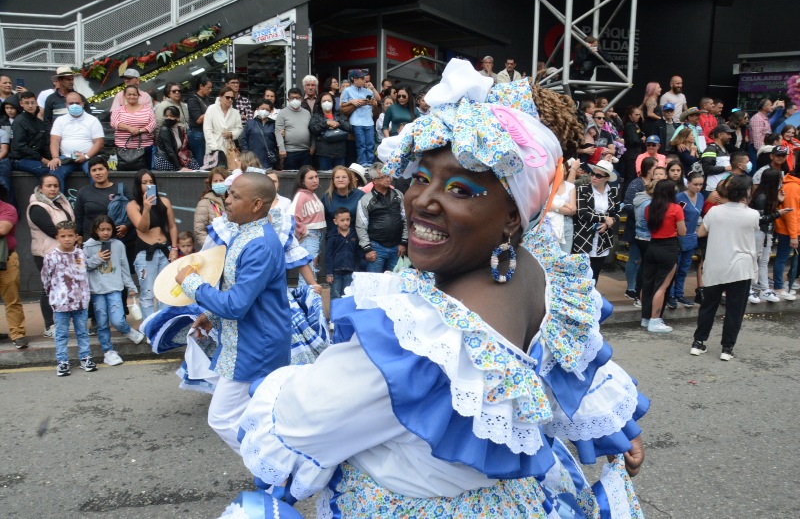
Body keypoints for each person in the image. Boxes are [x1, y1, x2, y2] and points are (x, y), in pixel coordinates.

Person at [236, 59, 647, 517]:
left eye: (461, 189)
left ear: (514, 215)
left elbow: (297, 427)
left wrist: (276, 378)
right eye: (420, 177)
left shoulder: (424, 343)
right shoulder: (544, 271)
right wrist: (621, 434)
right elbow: (579, 374)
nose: (424, 201)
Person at [176, 172, 291, 452]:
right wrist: (212, 316)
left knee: (221, 418)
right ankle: (276, 472)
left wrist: (190, 282)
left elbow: (237, 305)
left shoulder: (259, 244)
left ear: (256, 205)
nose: (226, 200)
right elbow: (240, 292)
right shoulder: (246, 234)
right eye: (228, 194)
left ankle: (274, 468)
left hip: (256, 346)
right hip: (249, 340)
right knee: (257, 416)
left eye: (234, 196)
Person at [691, 175, 759, 360]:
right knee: (735, 310)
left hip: (716, 264)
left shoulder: (715, 211)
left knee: (708, 306)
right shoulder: (753, 214)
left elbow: (701, 232)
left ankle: (698, 342)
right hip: (741, 266)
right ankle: (727, 348)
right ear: (746, 193)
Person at [84, 214, 145, 366]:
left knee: (118, 319)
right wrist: (98, 258)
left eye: (108, 229)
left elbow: (124, 267)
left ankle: (128, 331)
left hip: (115, 288)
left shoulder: (118, 245)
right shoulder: (88, 246)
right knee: (102, 322)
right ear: (95, 230)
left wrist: (131, 286)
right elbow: (83, 267)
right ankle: (108, 351)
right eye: (102, 229)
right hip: (97, 291)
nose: (105, 232)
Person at [41, 221, 95, 376]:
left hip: (80, 302)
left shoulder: (80, 254)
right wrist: (52, 296)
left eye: (70, 235)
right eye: (63, 236)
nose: (67, 239)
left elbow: (84, 275)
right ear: (57, 237)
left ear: (76, 237)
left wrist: (85, 296)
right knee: (61, 334)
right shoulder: (51, 256)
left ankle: (85, 358)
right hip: (61, 303)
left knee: (82, 332)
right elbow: (46, 278)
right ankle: (62, 361)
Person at [126, 169, 179, 318]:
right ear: (138, 185)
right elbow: (142, 227)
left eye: (151, 182)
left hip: (165, 250)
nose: (148, 185)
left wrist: (174, 248)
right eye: (144, 183)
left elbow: (172, 226)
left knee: (166, 291)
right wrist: (146, 208)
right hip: (145, 253)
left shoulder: (164, 201)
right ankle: (150, 328)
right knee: (148, 293)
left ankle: (164, 327)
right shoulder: (133, 205)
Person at [27, 174, 75, 338]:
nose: (53, 188)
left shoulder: (61, 203)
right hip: (46, 254)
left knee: (65, 287)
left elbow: (70, 225)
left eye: (55, 185)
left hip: (65, 253)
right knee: (49, 289)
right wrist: (72, 237)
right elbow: (52, 230)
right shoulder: (37, 206)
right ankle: (49, 325)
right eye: (49, 186)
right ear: (41, 188)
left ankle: (63, 322)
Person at [641, 179, 686, 333]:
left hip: (652, 246)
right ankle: (655, 320)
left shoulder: (649, 208)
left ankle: (646, 318)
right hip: (669, 247)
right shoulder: (676, 208)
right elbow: (682, 232)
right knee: (662, 286)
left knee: (648, 284)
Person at [574, 160, 620, 284]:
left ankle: (592, 301)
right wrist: (604, 218)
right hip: (583, 237)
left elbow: (615, 213)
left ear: (607, 178)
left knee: (595, 274)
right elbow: (582, 213)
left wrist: (609, 222)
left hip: (602, 239)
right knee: (580, 275)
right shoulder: (582, 189)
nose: (593, 177)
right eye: (592, 174)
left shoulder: (613, 191)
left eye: (598, 176)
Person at [356, 163, 408, 273]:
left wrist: (404, 242)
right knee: (374, 283)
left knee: (396, 284)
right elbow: (361, 226)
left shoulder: (398, 195)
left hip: (397, 247)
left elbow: (406, 219)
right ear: (374, 180)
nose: (388, 179)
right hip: (376, 247)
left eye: (389, 176)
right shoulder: (365, 200)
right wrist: (367, 249)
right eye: (383, 177)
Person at [47, 90, 104, 186]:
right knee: (54, 171)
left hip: (88, 157)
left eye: (77, 103)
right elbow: (54, 140)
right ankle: (57, 200)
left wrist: (86, 156)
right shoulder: (60, 120)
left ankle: (96, 199)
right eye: (71, 103)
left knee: (97, 172)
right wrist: (55, 158)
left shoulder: (93, 120)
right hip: (66, 158)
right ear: (66, 105)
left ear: (82, 104)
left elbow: (99, 142)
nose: (74, 105)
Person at [750, 168, 790, 303]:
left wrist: (778, 201)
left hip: (767, 233)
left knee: (764, 260)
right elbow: (759, 219)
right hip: (758, 232)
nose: (781, 181)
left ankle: (764, 288)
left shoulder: (768, 195)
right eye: (779, 179)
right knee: (753, 259)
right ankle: (749, 288)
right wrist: (779, 213)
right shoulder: (761, 197)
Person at [623, 157, 658, 304]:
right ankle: (631, 288)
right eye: (656, 167)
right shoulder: (636, 183)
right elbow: (628, 204)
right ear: (649, 168)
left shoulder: (657, 184)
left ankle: (641, 288)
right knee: (635, 258)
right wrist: (642, 215)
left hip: (652, 230)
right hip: (636, 227)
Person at [10, 91, 64, 184]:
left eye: (32, 102)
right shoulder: (19, 121)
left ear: (36, 103)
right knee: (44, 171)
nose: (30, 106)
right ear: (21, 104)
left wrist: (51, 159)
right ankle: (39, 195)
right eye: (27, 103)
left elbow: (45, 143)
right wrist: (42, 159)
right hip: (20, 159)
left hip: (36, 158)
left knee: (55, 168)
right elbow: (20, 146)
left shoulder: (39, 122)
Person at [670, 170, 705, 308]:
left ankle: (679, 293)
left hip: (692, 235)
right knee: (675, 268)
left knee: (684, 268)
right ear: (688, 183)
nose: (698, 187)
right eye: (695, 184)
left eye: (701, 184)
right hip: (679, 236)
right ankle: (671, 295)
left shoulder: (701, 197)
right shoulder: (680, 197)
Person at [291, 166, 325, 286]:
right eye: (310, 178)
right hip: (310, 235)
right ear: (302, 181)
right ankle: (305, 302)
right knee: (308, 272)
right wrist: (304, 231)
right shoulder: (301, 195)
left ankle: (308, 300)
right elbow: (292, 215)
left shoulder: (311, 194)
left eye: (316, 177)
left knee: (310, 270)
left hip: (316, 235)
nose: (315, 180)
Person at [0, 196, 26, 348]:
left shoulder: (7, 208)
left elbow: (2, 229)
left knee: (12, 299)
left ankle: (18, 334)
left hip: (6, 260)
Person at [772, 162, 800, 300]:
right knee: (782, 259)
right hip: (787, 230)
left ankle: (789, 282)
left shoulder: (795, 185)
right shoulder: (793, 188)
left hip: (794, 229)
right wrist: (793, 236)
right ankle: (778, 287)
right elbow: (790, 214)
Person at [111, 86, 157, 171]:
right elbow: (114, 123)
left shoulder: (148, 110)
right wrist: (129, 128)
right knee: (124, 174)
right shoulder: (118, 110)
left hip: (145, 148)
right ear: (124, 96)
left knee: (145, 173)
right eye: (129, 94)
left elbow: (153, 124)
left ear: (138, 96)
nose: (132, 96)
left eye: (134, 94)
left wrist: (139, 131)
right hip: (123, 149)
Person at [341, 69, 377, 166]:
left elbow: (375, 102)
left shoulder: (367, 91)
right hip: (356, 121)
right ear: (355, 80)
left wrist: (373, 103)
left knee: (370, 143)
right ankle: (363, 162)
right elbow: (342, 105)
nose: (364, 80)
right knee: (361, 143)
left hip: (368, 120)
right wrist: (352, 102)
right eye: (362, 78)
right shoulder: (347, 90)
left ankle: (370, 162)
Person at [309, 92, 351, 171]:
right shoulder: (316, 116)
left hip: (340, 153)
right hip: (324, 153)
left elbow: (349, 128)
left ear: (333, 102)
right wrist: (326, 123)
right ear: (320, 103)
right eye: (324, 101)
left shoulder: (339, 115)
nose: (326, 103)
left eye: (329, 100)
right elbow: (313, 128)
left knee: (340, 176)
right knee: (325, 178)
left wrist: (338, 123)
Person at [203, 86, 243, 169]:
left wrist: (231, 134)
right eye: (227, 97)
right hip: (213, 145)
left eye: (232, 98)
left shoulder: (235, 112)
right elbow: (207, 130)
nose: (230, 100)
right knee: (215, 172)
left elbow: (239, 128)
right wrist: (214, 148)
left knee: (230, 170)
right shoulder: (211, 109)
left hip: (229, 146)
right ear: (220, 97)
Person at [43, 66, 92, 131]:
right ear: (60, 80)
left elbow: (89, 117)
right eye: (68, 80)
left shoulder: (80, 97)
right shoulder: (51, 99)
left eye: (72, 79)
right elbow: (47, 122)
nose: (72, 82)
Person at [321, 165, 364, 239]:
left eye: (344, 177)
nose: (340, 180)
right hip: (334, 241)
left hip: (354, 240)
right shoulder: (326, 197)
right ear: (333, 180)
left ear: (349, 180)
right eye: (337, 177)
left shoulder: (360, 195)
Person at [325, 206, 359, 300]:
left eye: (347, 220)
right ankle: (335, 314)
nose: (345, 222)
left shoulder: (354, 234)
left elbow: (357, 253)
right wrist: (329, 273)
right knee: (335, 295)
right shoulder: (332, 236)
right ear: (335, 221)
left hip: (350, 271)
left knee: (347, 294)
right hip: (336, 272)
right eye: (342, 220)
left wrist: (356, 270)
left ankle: (345, 314)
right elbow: (328, 255)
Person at [275, 88, 313, 170]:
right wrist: (281, 148)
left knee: (305, 177)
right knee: (291, 178)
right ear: (288, 99)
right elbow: (278, 131)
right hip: (290, 152)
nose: (295, 100)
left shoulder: (307, 113)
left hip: (306, 151)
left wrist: (313, 146)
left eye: (297, 98)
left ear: (302, 99)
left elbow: (312, 130)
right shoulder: (282, 113)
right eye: (292, 98)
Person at [153, 105, 199, 171]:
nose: (168, 118)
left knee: (194, 165)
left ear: (178, 118)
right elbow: (169, 151)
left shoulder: (180, 129)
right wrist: (180, 168)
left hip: (177, 158)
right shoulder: (164, 129)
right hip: (165, 160)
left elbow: (184, 148)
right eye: (166, 116)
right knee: (189, 170)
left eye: (171, 116)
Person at [545, 159, 577, 254]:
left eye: (562, 170)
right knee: (549, 255)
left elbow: (572, 210)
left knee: (565, 255)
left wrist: (554, 208)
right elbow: (545, 205)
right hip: (549, 223)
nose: (560, 173)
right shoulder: (547, 186)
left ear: (566, 171)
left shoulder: (570, 186)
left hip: (567, 223)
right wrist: (564, 206)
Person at [194, 167, 230, 247]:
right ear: (210, 184)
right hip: (215, 249)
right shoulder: (205, 203)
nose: (218, 183)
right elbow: (199, 230)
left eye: (221, 180)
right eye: (215, 181)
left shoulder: (233, 201)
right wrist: (210, 247)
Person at [241, 99, 279, 169]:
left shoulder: (274, 124)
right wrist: (246, 155)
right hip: (252, 161)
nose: (264, 111)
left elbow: (277, 142)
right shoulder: (250, 123)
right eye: (262, 108)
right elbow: (244, 140)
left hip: (269, 160)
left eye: (267, 109)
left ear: (270, 111)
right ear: (257, 109)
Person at [700, 124, 734, 192]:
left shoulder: (725, 150)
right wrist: (725, 168)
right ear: (720, 135)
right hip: (712, 189)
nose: (730, 136)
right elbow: (706, 168)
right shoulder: (711, 149)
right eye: (728, 134)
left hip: (722, 189)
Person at [187, 77, 213, 164]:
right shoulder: (192, 100)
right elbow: (198, 119)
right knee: (200, 160)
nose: (210, 90)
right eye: (208, 88)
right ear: (201, 86)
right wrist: (212, 111)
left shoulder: (206, 99)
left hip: (205, 133)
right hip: (197, 133)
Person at [620, 105, 645, 187]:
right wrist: (642, 140)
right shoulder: (629, 126)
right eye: (636, 115)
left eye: (639, 115)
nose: (638, 117)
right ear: (630, 115)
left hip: (635, 154)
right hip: (631, 155)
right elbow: (633, 140)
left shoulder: (635, 125)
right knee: (630, 177)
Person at [748, 99, 773, 164]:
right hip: (757, 149)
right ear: (764, 107)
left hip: (764, 147)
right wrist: (761, 152)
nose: (772, 107)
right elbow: (757, 138)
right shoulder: (757, 118)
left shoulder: (764, 117)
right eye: (770, 105)